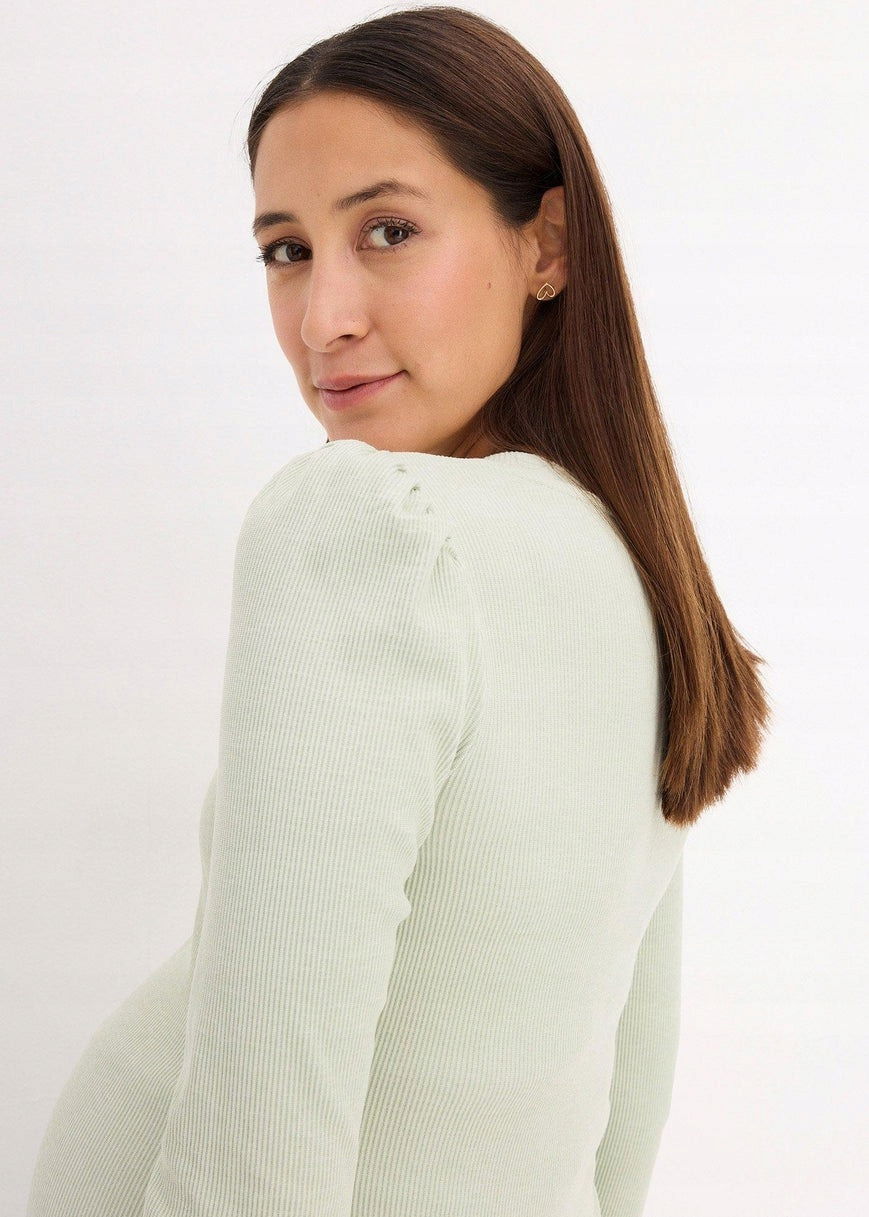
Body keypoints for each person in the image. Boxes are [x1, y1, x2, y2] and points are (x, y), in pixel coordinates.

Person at [26, 7, 770, 1217]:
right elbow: (623, 1096)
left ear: (546, 244)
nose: (321, 317)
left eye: (387, 231)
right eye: (285, 249)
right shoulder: (643, 578)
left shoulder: (365, 525)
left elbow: (259, 1151)